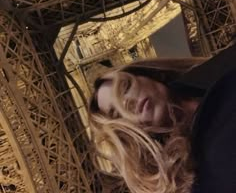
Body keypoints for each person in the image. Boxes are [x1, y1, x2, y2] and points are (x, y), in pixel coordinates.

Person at [88, 44, 236, 193]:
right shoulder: (200, 178)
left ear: (149, 76)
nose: (128, 104)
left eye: (125, 88)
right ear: (127, 135)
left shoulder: (217, 69)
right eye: (117, 114)